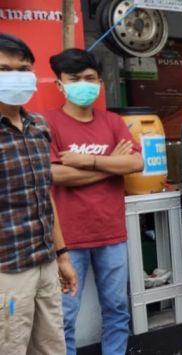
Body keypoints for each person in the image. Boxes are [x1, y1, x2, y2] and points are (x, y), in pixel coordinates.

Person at [44, 48, 144, 355]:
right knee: (64, 316)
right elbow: (52, 175)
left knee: (117, 309)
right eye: (74, 78)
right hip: (67, 240)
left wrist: (86, 161)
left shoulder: (112, 121)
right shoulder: (46, 123)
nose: (83, 84)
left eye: (90, 78)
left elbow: (136, 164)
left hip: (111, 233)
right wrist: (109, 163)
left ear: (100, 83)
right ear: (60, 84)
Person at [0, 33, 77, 355]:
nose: (16, 77)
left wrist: (62, 256)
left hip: (45, 262)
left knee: (51, 347)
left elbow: (44, 197)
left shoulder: (38, 127)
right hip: (7, 272)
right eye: (5, 69)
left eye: (24, 69)